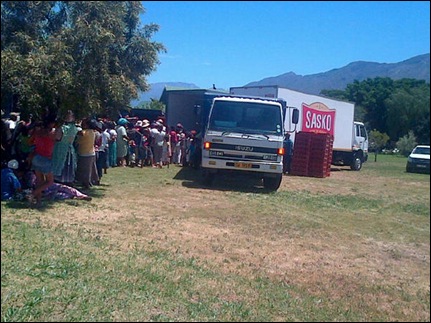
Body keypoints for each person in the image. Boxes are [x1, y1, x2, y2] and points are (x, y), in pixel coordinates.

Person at [27, 112, 61, 206]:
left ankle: (38, 201)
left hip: (36, 157)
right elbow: (58, 138)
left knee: (39, 181)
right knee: (50, 181)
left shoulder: (37, 132)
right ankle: (32, 195)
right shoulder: (52, 133)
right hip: (45, 158)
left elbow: (29, 142)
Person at [51, 110, 79, 185]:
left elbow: (57, 138)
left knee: (59, 165)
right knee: (69, 165)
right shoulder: (74, 128)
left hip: (60, 149)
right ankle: (68, 181)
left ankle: (58, 182)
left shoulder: (61, 128)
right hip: (70, 149)